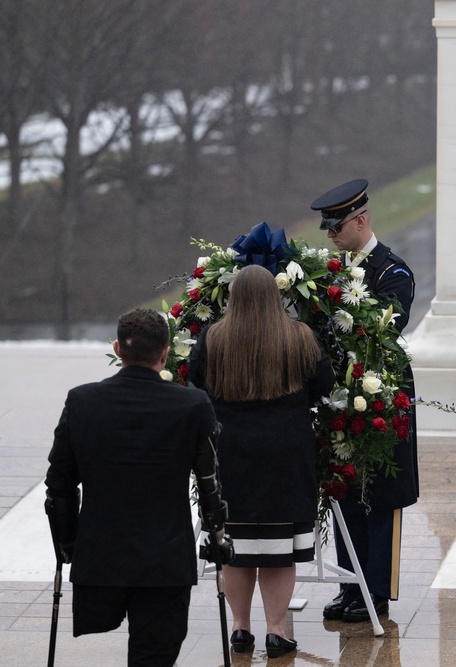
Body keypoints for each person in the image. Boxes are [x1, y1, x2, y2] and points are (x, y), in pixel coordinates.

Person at [44, 307, 233, 667]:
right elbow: (209, 482)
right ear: (164, 353)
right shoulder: (192, 405)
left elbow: (59, 485)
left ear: (117, 349)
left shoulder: (81, 401)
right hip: (165, 559)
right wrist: (218, 533)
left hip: (100, 556)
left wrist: (68, 543)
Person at [188, 264, 335, 658]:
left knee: (233, 546)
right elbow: (325, 385)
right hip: (286, 455)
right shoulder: (300, 337)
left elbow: (196, 381)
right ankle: (275, 630)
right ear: (276, 295)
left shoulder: (213, 337)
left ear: (233, 297)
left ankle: (239, 627)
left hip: (230, 453)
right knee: (278, 547)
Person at [312, 178, 419, 624]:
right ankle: (350, 586)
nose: (332, 235)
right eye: (328, 229)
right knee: (346, 491)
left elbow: (379, 333)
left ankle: (375, 591)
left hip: (382, 402)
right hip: (339, 397)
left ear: (360, 220)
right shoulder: (331, 276)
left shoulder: (392, 272)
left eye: (337, 227)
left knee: (381, 495)